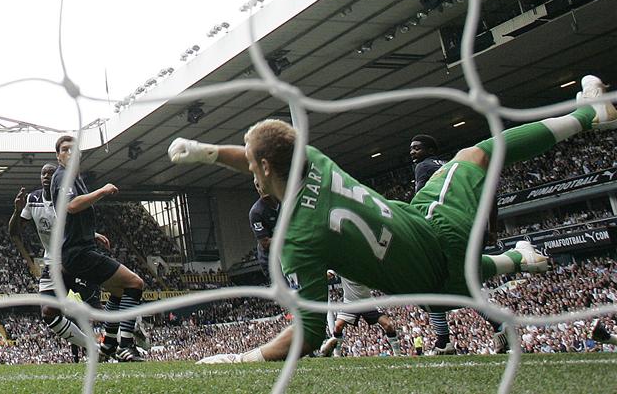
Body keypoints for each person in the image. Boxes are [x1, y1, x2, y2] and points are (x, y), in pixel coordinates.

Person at [167, 75, 615, 363]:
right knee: (481, 152)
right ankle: (585, 117)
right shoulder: (316, 161)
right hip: (429, 237)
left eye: (251, 164)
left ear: (264, 169)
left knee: (465, 256)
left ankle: (522, 254)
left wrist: (238, 358)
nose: (247, 169)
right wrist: (206, 153)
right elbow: (264, 157)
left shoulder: (297, 240)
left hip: (429, 282)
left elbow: (304, 339)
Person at [52, 135, 146, 362]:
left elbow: (64, 215)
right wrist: (102, 191)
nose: (70, 153)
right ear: (58, 155)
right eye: (65, 150)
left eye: (74, 150)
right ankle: (125, 344)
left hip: (79, 250)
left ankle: (108, 347)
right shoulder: (63, 176)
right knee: (135, 283)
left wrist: (91, 234)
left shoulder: (74, 178)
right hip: (78, 253)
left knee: (118, 292)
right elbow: (72, 206)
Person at [410, 134, 505, 355]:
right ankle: (497, 325)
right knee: (462, 283)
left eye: (417, 148)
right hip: (475, 229)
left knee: (431, 283)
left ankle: (444, 342)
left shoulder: (424, 167)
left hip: (445, 230)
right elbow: (491, 194)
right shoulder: (458, 164)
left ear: (431, 150)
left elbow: (421, 199)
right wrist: (493, 228)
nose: (412, 152)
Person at [9, 163, 101, 363]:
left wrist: (93, 234)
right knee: (48, 312)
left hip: (75, 257)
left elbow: (77, 223)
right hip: (52, 262)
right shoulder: (32, 200)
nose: (46, 176)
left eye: (51, 173)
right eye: (43, 173)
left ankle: (132, 326)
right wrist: (17, 211)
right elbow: (14, 233)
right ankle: (94, 349)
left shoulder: (66, 197)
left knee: (97, 310)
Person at [319, 271, 401, 357]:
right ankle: (337, 355)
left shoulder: (363, 265)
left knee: (388, 324)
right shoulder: (342, 266)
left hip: (367, 303)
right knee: (338, 326)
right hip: (350, 303)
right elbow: (329, 274)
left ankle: (397, 354)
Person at [249, 179, 280, 283]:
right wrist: (289, 236)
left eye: (262, 183)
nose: (260, 188)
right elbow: (265, 243)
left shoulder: (285, 201)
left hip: (289, 252)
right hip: (271, 260)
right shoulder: (256, 212)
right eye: (257, 185)